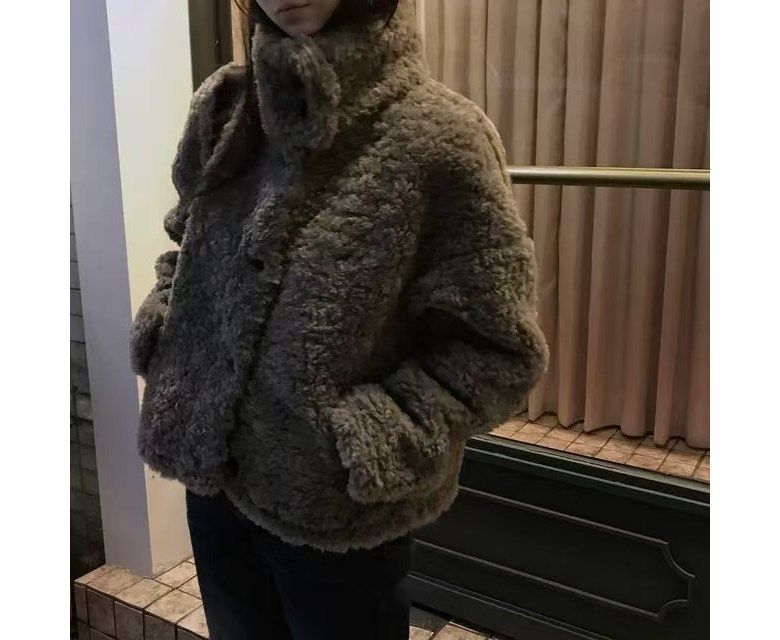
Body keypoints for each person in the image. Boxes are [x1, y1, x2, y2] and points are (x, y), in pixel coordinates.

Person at [130, 0, 548, 638]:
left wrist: (367, 437)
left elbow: (498, 349)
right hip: (214, 484)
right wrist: (169, 331)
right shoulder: (226, 109)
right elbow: (186, 244)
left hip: (337, 509)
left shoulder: (439, 137)